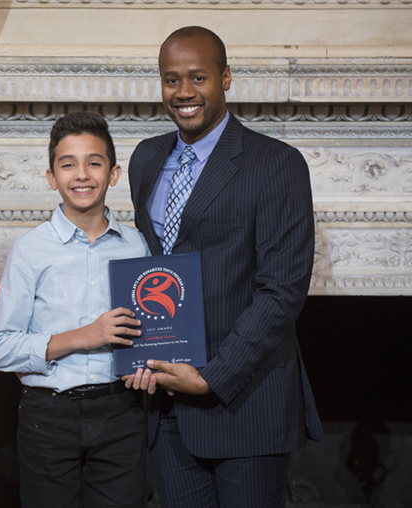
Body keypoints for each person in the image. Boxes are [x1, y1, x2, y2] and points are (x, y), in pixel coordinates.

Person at [124, 26, 325, 508]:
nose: (184, 92)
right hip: (167, 406)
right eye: (171, 80)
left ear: (226, 78)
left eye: (198, 77)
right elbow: (152, 268)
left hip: (247, 404)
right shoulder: (146, 158)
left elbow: (282, 291)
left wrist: (212, 376)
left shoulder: (276, 163)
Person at [0, 112, 150, 508]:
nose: (82, 175)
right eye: (68, 164)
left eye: (94, 162)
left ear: (113, 174)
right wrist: (84, 337)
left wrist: (150, 364)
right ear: (51, 176)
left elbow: (151, 328)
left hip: (122, 412)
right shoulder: (30, 250)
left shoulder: (137, 246)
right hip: (48, 416)